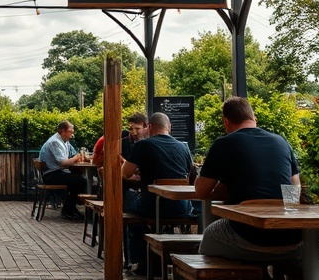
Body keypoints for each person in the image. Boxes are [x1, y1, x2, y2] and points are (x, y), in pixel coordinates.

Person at [195, 97, 301, 261]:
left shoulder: (224, 144)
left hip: (248, 236)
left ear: (226, 122)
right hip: (290, 237)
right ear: (254, 118)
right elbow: (294, 192)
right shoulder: (281, 142)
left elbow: (201, 192)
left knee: (210, 234)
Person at [122, 112, 194, 275]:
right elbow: (190, 176)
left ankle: (139, 263)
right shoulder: (183, 147)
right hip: (181, 207)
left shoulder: (143, 145)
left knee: (130, 205)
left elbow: (125, 173)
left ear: (150, 127)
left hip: (152, 206)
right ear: (169, 127)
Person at [38, 120, 86, 220]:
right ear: (62, 131)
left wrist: (75, 158)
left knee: (78, 177)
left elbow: (69, 158)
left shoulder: (64, 141)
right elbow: (63, 162)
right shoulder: (55, 142)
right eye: (70, 131)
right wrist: (77, 158)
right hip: (51, 175)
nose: (72, 134)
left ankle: (70, 208)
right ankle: (69, 210)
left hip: (57, 172)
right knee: (80, 181)